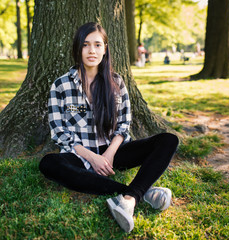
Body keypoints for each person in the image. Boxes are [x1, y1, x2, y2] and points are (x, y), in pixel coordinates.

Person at [39, 22, 179, 233]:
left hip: (113, 151)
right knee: (49, 163)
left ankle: (129, 200)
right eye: (86, 45)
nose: (92, 50)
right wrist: (92, 158)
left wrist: (109, 154)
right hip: (79, 154)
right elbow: (59, 132)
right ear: (78, 48)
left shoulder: (116, 82)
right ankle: (139, 194)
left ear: (105, 49)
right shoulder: (61, 85)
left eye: (97, 44)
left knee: (169, 140)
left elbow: (124, 124)